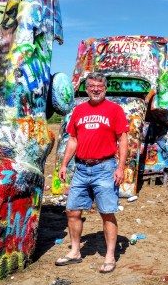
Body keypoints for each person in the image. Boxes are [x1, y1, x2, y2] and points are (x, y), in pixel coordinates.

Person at [55, 72, 129, 273]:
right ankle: (75, 252)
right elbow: (73, 140)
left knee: (106, 213)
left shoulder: (115, 110)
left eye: (99, 86)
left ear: (105, 88)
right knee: (72, 211)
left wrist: (120, 167)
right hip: (81, 168)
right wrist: (64, 164)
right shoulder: (79, 110)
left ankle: (110, 256)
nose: (95, 89)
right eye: (92, 86)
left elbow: (122, 139)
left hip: (105, 168)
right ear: (86, 89)